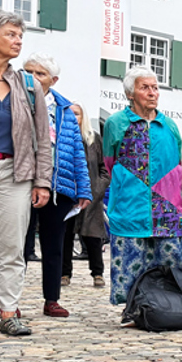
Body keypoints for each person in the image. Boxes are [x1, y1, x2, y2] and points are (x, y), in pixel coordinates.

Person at [0, 10, 53, 339]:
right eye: (11, 34)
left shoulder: (28, 86)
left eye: (20, 35)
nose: (18, 41)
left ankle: (8, 313)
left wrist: (42, 181)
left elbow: (42, 139)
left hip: (17, 173)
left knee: (13, 247)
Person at [104, 66, 182, 307]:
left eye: (155, 87)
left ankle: (173, 308)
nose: (152, 93)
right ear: (131, 93)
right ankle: (133, 309)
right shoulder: (116, 124)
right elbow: (110, 164)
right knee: (129, 261)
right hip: (131, 207)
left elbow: (177, 166)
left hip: (166, 210)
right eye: (145, 88)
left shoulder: (169, 126)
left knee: (171, 263)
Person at [21, 54, 92, 318]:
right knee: (19, 245)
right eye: (28, 71)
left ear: (53, 80)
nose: (32, 77)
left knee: (54, 246)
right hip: (24, 182)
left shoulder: (63, 109)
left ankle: (52, 299)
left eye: (39, 74)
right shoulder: (15, 100)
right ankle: (11, 302)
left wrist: (83, 189)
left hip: (57, 187)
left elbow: (76, 152)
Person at [63, 103, 108, 288]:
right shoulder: (62, 139)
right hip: (68, 195)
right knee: (65, 237)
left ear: (84, 117)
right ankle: (64, 273)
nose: (74, 118)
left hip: (91, 196)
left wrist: (96, 189)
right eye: (70, 114)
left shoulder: (94, 140)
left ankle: (97, 272)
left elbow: (104, 169)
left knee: (93, 236)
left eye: (77, 114)